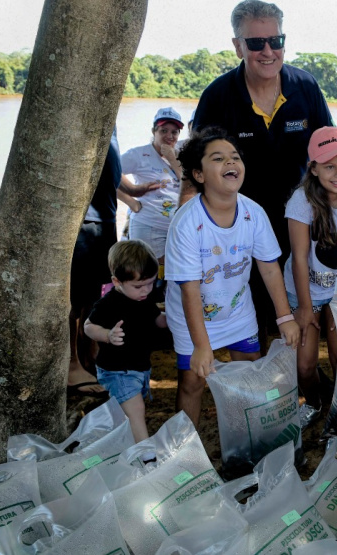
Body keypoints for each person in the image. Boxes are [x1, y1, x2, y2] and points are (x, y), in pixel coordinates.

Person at [193, 0, 333, 353]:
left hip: (300, 223)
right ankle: (254, 394)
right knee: (249, 314)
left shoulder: (305, 86)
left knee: (301, 308)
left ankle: (300, 382)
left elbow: (330, 152)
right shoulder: (217, 96)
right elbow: (195, 169)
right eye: (256, 43)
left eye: (276, 40)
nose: (268, 51)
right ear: (237, 46)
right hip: (238, 226)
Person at [166, 127, 300, 427]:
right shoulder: (186, 223)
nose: (230, 163)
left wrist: (284, 317)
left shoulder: (254, 213)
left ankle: (248, 437)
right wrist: (202, 346)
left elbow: (269, 267)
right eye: (218, 158)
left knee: (250, 373)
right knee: (192, 382)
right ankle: (185, 447)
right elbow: (189, 290)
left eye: (235, 157)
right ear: (199, 175)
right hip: (192, 318)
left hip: (238, 311)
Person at [285, 127, 337, 458]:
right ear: (314, 168)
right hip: (303, 289)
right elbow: (299, 258)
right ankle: (317, 403)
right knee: (305, 365)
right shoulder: (301, 201)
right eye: (330, 166)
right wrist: (306, 309)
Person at [69, 131, 160, 396]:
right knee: (74, 300)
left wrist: (133, 191)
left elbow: (106, 170)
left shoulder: (111, 120)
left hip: (106, 217)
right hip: (80, 220)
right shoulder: (84, 110)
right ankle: (71, 364)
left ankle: (90, 355)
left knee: (92, 294)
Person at [84, 240, 167, 442]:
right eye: (139, 286)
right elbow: (88, 326)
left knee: (129, 412)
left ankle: (116, 441)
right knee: (136, 410)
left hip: (139, 367)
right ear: (117, 281)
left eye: (151, 283)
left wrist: (172, 316)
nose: (146, 290)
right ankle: (146, 458)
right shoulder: (109, 303)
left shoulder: (144, 296)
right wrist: (107, 335)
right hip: (117, 370)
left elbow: (157, 320)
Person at [120, 107, 185, 264]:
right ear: (153, 131)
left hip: (176, 229)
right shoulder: (138, 154)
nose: (169, 136)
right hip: (148, 226)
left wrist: (171, 157)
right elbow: (108, 173)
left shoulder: (182, 154)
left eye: (174, 132)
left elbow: (188, 183)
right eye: (164, 131)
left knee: (172, 277)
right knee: (147, 275)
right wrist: (131, 200)